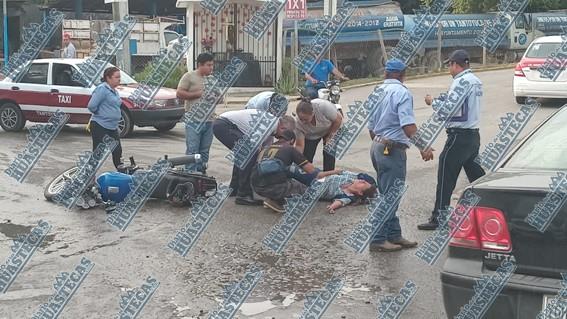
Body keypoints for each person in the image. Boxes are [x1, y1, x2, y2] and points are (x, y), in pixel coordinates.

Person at [367, 59, 434, 252]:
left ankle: (394, 234)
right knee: (391, 196)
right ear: (401, 74)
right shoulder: (402, 93)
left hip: (377, 146)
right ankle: (379, 238)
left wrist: (380, 142)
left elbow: (371, 127)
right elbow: (408, 126)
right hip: (391, 150)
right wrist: (424, 147)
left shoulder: (377, 91)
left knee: (388, 193)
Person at [417, 50, 486, 230]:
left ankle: (438, 218)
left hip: (459, 136)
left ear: (456, 64)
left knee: (446, 177)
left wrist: (433, 102)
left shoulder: (460, 82)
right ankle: (493, 207)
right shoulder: (475, 81)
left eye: (449, 64)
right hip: (472, 136)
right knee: (476, 176)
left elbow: (450, 109)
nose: (449, 68)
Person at [213, 109, 296, 205]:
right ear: (283, 128)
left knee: (243, 153)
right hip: (224, 125)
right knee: (248, 153)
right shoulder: (270, 125)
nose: (279, 138)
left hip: (223, 124)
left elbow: (263, 149)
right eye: (283, 136)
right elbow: (255, 148)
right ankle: (244, 195)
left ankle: (234, 189)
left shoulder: (271, 123)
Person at [250, 130, 321, 213]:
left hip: (255, 186)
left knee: (283, 177)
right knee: (303, 189)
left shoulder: (266, 148)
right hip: (273, 187)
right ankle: (275, 201)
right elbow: (311, 170)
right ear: (292, 140)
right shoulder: (290, 149)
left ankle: (271, 196)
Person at [176, 53, 215, 174]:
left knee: (204, 151)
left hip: (209, 120)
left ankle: (202, 175)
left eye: (212, 65)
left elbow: (220, 97)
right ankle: (191, 175)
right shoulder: (189, 77)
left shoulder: (212, 79)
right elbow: (179, 93)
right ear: (200, 65)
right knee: (193, 150)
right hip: (194, 120)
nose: (211, 68)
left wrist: (215, 97)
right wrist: (196, 94)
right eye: (208, 65)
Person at [87, 67, 123, 169]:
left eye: (119, 77)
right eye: (116, 77)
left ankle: (122, 173)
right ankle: (88, 176)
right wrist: (101, 114)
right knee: (98, 152)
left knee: (117, 150)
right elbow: (91, 105)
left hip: (112, 127)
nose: (119, 79)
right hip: (100, 125)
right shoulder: (102, 89)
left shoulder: (114, 91)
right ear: (108, 78)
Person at [294, 98, 342, 171]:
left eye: (306, 119)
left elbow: (338, 120)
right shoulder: (298, 124)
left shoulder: (323, 107)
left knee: (329, 152)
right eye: (301, 119)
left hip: (330, 128)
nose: (303, 122)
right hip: (311, 135)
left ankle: (328, 175)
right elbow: (299, 146)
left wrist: (330, 136)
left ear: (313, 113)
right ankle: (306, 175)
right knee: (307, 157)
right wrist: (297, 159)